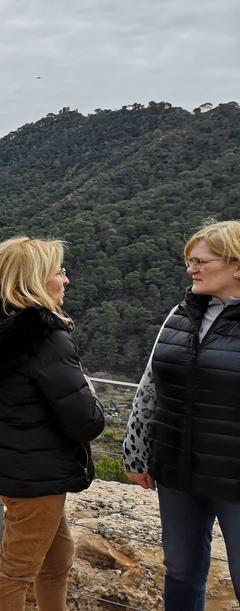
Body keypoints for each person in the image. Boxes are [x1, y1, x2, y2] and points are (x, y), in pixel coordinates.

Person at [0, 236, 104, 611]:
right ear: (35, 280)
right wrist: (91, 393)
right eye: (60, 272)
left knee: (57, 558)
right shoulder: (44, 341)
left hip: (16, 468)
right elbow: (86, 422)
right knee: (16, 573)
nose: (67, 280)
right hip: (37, 475)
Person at [123, 220, 240, 610]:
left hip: (234, 474)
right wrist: (136, 452)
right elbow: (150, 386)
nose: (191, 268)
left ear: (236, 265)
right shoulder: (181, 313)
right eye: (189, 260)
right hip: (178, 469)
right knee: (180, 571)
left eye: (200, 261)